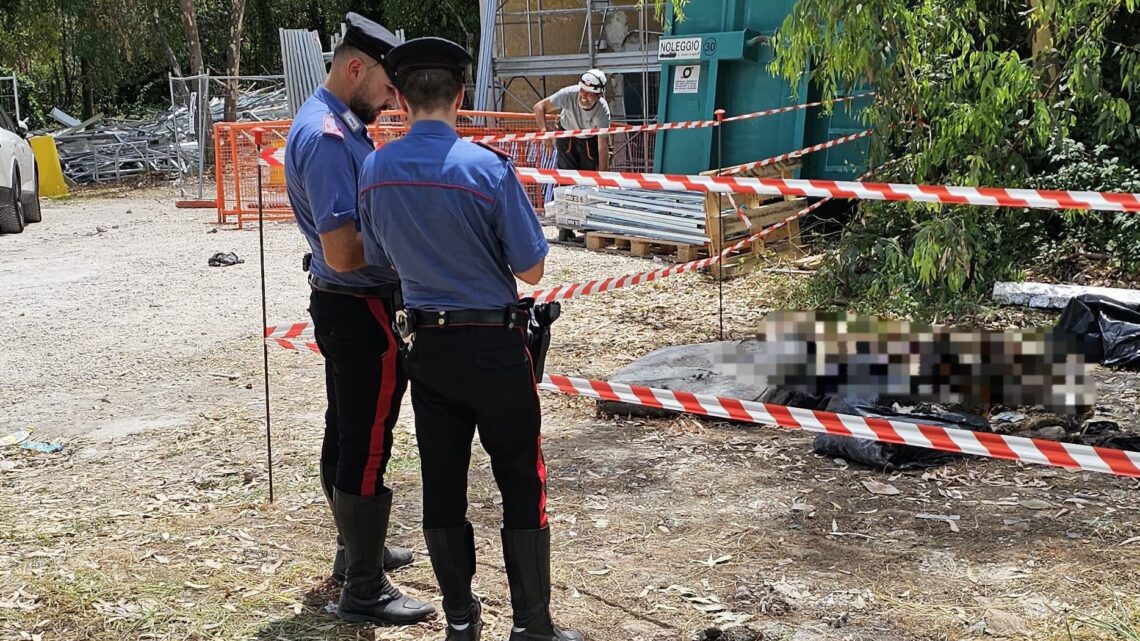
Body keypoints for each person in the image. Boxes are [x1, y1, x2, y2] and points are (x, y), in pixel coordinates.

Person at [357, 36, 584, 641]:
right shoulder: (486, 169)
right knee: (520, 478)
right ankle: (532, 624)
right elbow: (532, 268)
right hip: (495, 347)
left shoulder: (375, 170)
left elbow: (379, 260)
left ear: (400, 100)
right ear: (460, 95)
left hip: (428, 349)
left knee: (442, 484)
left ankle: (461, 621)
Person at [282, 12, 435, 626]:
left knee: (347, 429)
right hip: (358, 306)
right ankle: (365, 589)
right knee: (366, 441)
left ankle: (355, 552)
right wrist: (412, 241)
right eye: (386, 88)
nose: (393, 101)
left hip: (349, 305)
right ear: (355, 68)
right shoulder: (327, 137)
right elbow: (344, 249)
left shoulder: (336, 124)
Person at [532, 69, 611, 173]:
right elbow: (539, 107)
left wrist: (602, 177)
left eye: (589, 94)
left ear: (598, 96)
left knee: (589, 179)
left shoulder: (602, 111)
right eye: (582, 90)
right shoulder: (569, 94)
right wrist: (545, 134)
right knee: (567, 178)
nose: (583, 96)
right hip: (566, 137)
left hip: (589, 141)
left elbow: (602, 147)